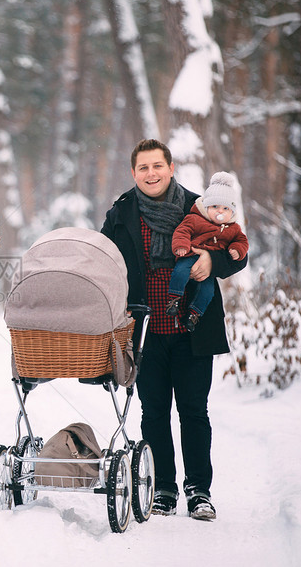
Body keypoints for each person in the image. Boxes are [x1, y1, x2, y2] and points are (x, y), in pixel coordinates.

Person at [100, 139, 248, 521]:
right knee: (153, 413)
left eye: (157, 166)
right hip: (144, 329)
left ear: (170, 168)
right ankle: (163, 487)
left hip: (192, 327)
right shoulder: (120, 214)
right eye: (143, 168)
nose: (151, 174)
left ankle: (199, 491)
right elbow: (104, 262)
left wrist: (211, 262)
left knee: (194, 411)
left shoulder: (200, 206)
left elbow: (238, 250)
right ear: (134, 173)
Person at [166, 171, 249, 332]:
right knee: (180, 272)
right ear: (206, 206)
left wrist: (237, 250)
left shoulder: (233, 228)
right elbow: (182, 231)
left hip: (210, 268)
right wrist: (181, 246)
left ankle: (194, 314)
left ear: (231, 212)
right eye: (215, 207)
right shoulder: (195, 218)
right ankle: (174, 298)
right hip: (190, 255)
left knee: (208, 291)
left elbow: (242, 241)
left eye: (225, 208)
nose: (220, 212)